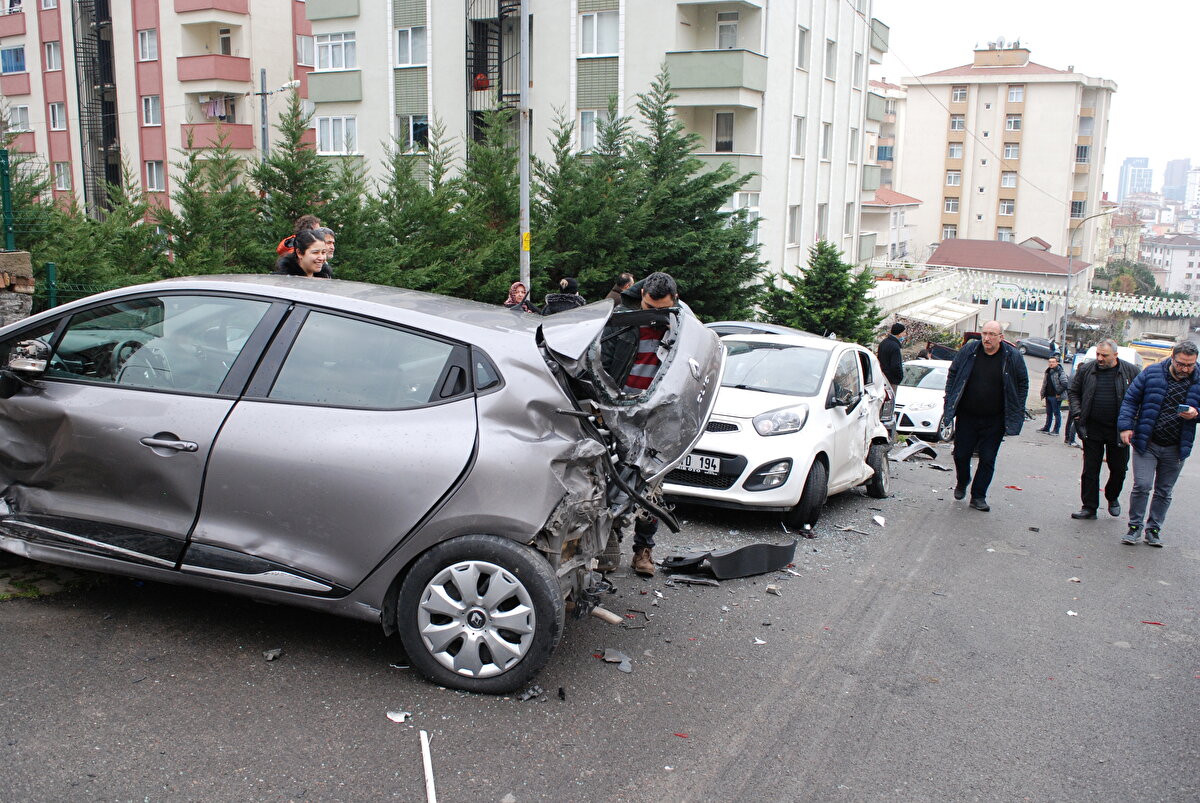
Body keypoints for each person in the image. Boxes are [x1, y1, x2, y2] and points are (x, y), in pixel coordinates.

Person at [597, 271, 679, 576]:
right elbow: (603, 363)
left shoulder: (681, 324)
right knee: (614, 481)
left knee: (652, 486)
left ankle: (644, 551)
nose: (654, 314)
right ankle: (610, 545)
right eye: (649, 306)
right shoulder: (622, 318)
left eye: (662, 308)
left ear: (674, 300)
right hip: (621, 412)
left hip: (658, 415)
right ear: (642, 295)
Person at [940, 320, 1029, 512]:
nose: (986, 338)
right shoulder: (969, 351)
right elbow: (953, 374)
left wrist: (1017, 407)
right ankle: (963, 480)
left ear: (1001, 337)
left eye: (991, 334)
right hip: (967, 416)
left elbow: (1022, 383)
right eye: (984, 333)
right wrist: (949, 398)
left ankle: (978, 496)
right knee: (961, 454)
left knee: (988, 458)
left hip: (995, 419)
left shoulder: (1011, 356)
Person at [1117, 340, 1200, 546]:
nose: (1185, 369)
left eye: (1190, 365)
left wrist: (1196, 414)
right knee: (1142, 485)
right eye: (1181, 364)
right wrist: (1126, 427)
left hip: (1177, 446)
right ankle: (1134, 527)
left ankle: (1154, 529)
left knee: (1164, 490)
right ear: (1172, 357)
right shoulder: (1151, 373)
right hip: (1147, 441)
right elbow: (1130, 400)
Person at [1066, 340, 1139, 520]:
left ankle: (1112, 496)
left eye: (1104, 355)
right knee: (1090, 470)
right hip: (1092, 428)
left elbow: (1140, 397)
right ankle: (1089, 507)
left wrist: (1133, 423)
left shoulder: (1131, 371)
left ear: (1115, 356)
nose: (1099, 358)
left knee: (1119, 469)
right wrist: (1077, 413)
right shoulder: (1087, 370)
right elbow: (1073, 391)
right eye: (1098, 354)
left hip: (1119, 430)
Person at [1038, 356, 1069, 434]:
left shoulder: (1060, 372)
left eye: (1053, 362)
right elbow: (1045, 383)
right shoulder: (1048, 371)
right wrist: (1043, 393)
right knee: (1049, 412)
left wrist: (1058, 393)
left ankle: (1056, 430)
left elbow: (1065, 383)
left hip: (1056, 396)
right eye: (1050, 362)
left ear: (1057, 363)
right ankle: (1047, 427)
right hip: (1048, 395)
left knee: (1056, 413)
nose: (1051, 363)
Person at [877, 322, 905, 389]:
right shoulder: (895, 346)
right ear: (899, 333)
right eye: (904, 332)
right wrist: (899, 377)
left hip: (882, 377)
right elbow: (895, 365)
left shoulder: (883, 343)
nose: (905, 334)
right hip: (891, 380)